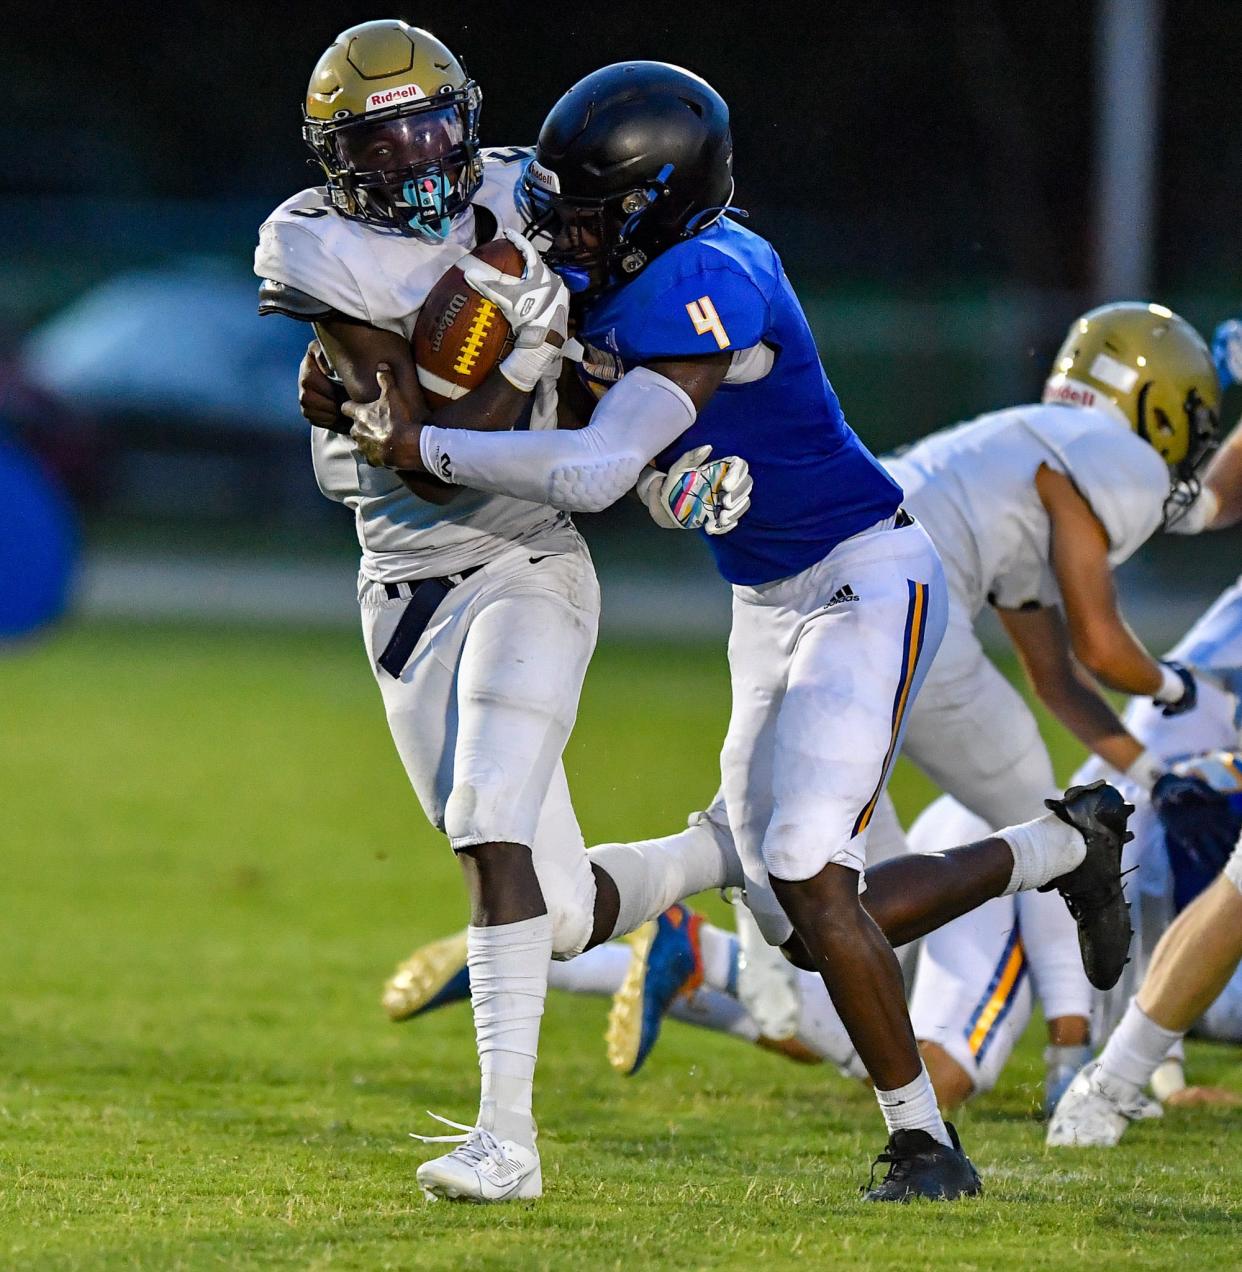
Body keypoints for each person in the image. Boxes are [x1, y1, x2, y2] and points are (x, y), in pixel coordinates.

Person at [332, 60, 1137, 1200]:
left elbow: (604, 463)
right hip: (766, 597)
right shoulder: (600, 261)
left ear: (654, 208)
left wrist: (424, 449)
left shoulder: (713, 275)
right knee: (791, 916)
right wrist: (361, 378)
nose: (557, 227)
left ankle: (923, 1141)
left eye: (585, 210)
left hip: (866, 575)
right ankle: (1066, 847)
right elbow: (627, 449)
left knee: (811, 867)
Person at [385, 301, 1223, 1116]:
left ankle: (622, 954)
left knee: (834, 931)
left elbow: (1056, 681)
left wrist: (1150, 767)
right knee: (1010, 840)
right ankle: (1074, 1060)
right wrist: (1182, 690)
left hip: (814, 594)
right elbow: (1106, 650)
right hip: (888, 597)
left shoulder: (1020, 444)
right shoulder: (1109, 459)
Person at [256, 22, 749, 1204]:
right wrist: (490, 314)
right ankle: (725, 851)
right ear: (338, 155)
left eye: (434, 121)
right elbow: (421, 454)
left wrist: (640, 430)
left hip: (532, 554)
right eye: (387, 136)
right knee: (563, 909)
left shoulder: (527, 188)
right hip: (404, 581)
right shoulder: (310, 240)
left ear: (467, 113)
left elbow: (651, 291)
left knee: (489, 823)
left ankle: (505, 1143)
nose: (422, 152)